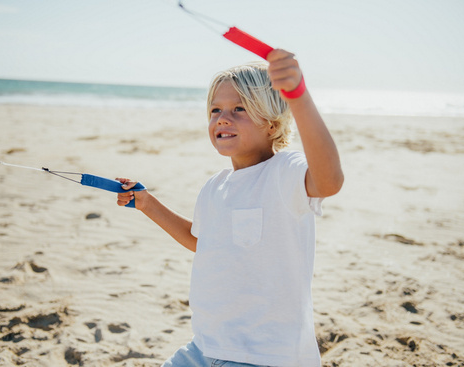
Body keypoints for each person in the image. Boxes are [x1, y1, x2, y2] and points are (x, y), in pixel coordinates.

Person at [116, 49, 344, 367]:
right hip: (206, 347)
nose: (223, 118)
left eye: (239, 108)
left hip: (266, 355)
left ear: (273, 122)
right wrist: (148, 204)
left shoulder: (285, 172)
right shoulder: (215, 186)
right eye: (215, 110)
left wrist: (298, 97)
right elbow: (202, 243)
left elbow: (330, 180)